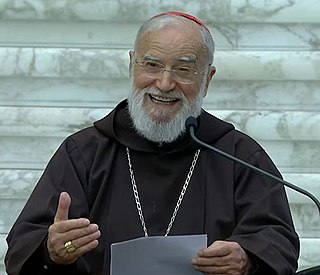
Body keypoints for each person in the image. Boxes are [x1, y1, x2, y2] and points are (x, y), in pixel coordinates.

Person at [5, 11, 299, 275]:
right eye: (153, 65)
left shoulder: (239, 156)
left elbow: (279, 241)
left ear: (207, 79)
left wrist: (248, 259)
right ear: (132, 65)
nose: (164, 83)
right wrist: (52, 251)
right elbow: (23, 247)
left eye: (183, 69)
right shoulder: (83, 152)